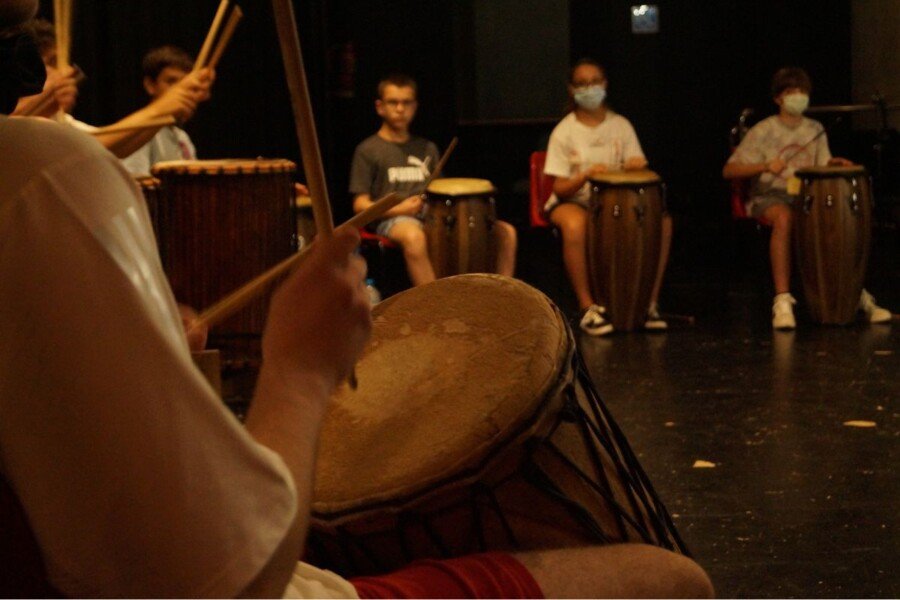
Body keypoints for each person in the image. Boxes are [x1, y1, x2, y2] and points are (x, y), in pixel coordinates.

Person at [0, 3, 714, 597]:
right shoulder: (37, 173)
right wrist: (302, 368)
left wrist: (145, 351)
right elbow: (220, 582)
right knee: (668, 579)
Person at [723, 67, 891, 330]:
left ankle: (855, 294)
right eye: (791, 92)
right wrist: (765, 166)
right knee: (784, 217)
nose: (798, 97)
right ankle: (782, 300)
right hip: (771, 197)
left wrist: (833, 163)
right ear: (778, 98)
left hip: (806, 197)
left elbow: (821, 165)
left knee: (837, 222)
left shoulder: (815, 129)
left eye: (802, 92)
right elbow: (729, 170)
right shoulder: (763, 130)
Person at [543, 58, 673, 335]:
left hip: (615, 203)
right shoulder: (564, 131)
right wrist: (584, 175)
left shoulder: (621, 126)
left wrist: (636, 164)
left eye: (595, 82)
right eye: (582, 83)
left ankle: (648, 303)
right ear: (572, 89)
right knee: (576, 225)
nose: (589, 88)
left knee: (663, 222)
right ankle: (588, 307)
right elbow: (559, 188)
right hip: (574, 201)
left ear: (605, 84)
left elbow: (640, 165)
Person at [350, 73, 517, 286]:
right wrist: (401, 209)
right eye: (393, 102)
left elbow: (440, 190)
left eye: (406, 102)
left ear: (415, 106)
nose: (400, 109)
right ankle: (436, 304)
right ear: (379, 106)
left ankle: (500, 298)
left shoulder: (427, 148)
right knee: (414, 236)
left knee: (505, 233)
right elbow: (360, 205)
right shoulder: (368, 150)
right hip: (391, 220)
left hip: (430, 217)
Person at [12, 18, 213, 160]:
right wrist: (164, 107)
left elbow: (109, 146)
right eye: (53, 62)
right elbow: (93, 147)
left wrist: (169, 107)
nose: (66, 71)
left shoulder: (61, 122)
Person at [121, 45, 199, 175]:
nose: (179, 90)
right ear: (150, 85)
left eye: (184, 83)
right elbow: (137, 186)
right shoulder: (139, 133)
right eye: (171, 82)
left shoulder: (182, 138)